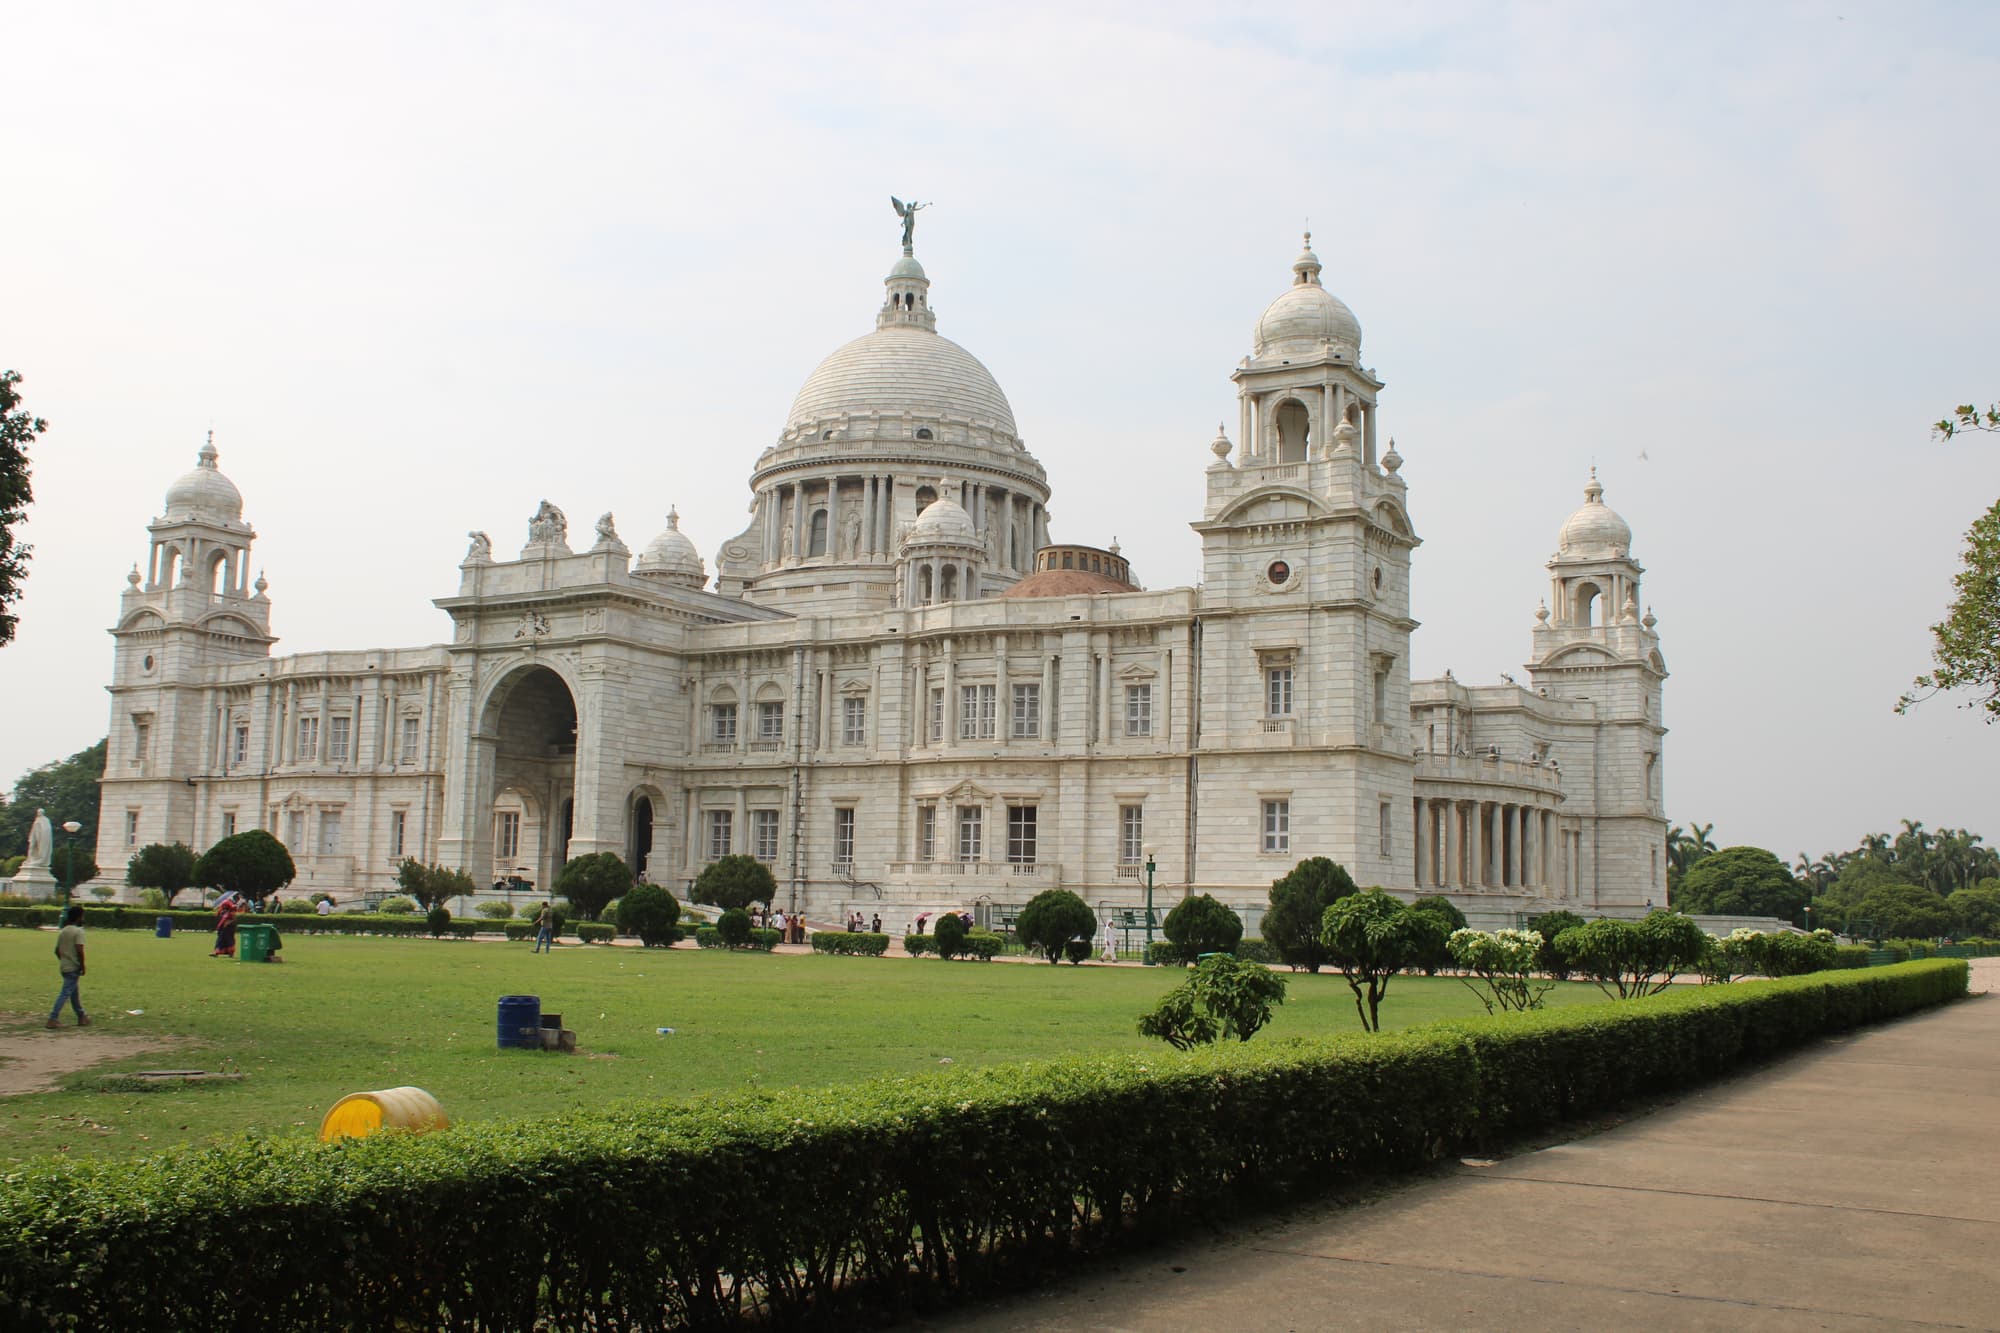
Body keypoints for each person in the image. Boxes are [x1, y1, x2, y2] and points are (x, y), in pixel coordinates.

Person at [46, 905, 89, 1029]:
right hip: (73, 967)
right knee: (65, 993)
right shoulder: (78, 931)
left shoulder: (64, 931)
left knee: (73, 993)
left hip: (64, 967)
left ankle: (81, 1016)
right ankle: (53, 1018)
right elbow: (80, 950)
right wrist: (82, 965)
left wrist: (64, 960)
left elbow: (56, 950)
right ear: (79, 917)